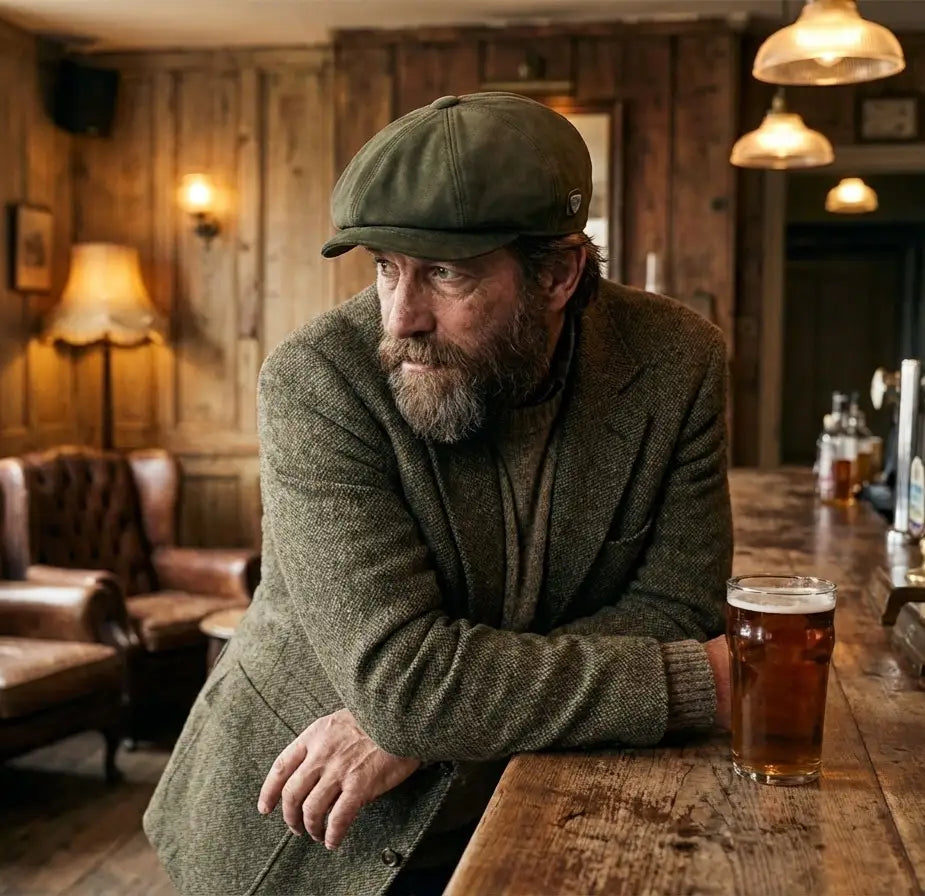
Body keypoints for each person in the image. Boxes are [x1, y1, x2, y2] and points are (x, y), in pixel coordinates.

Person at [144, 91, 732, 896]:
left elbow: (678, 609)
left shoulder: (677, 361)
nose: (401, 317)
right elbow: (402, 682)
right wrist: (692, 682)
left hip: (526, 803)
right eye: (385, 268)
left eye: (444, 273)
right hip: (301, 833)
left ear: (558, 274)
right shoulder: (317, 378)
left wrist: (429, 716)